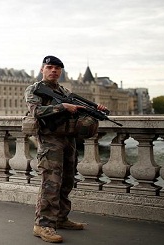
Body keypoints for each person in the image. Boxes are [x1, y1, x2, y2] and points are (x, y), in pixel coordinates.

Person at [24, 56, 107, 243]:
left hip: (68, 139)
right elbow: (36, 111)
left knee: (67, 181)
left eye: (57, 68)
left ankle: (61, 218)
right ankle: (43, 225)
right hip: (49, 140)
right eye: (50, 67)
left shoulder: (64, 90)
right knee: (51, 183)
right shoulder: (35, 89)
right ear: (42, 69)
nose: (54, 71)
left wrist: (95, 109)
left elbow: (76, 111)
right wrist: (62, 106)